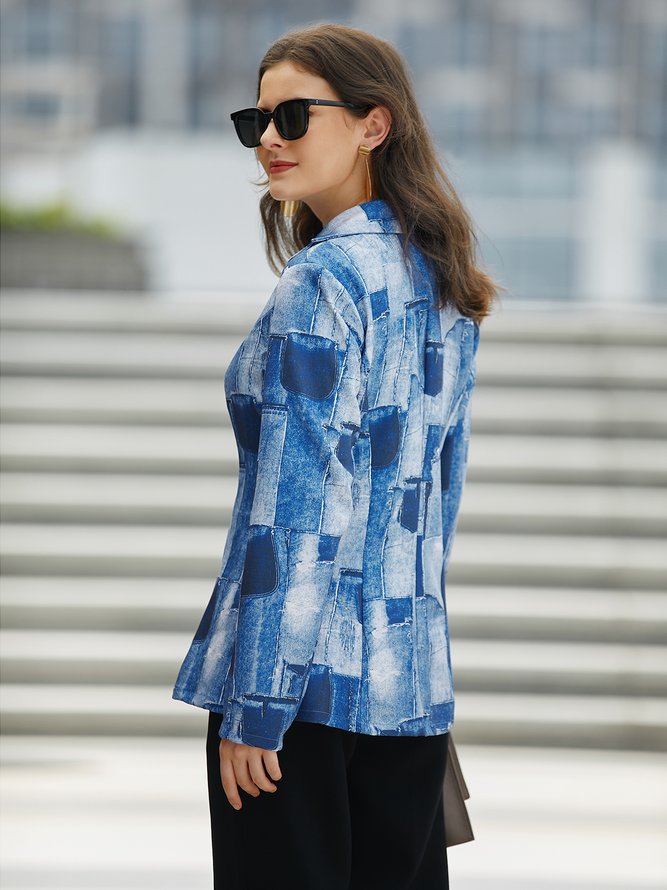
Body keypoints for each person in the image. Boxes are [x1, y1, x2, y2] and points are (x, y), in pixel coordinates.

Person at [172, 22, 497, 890]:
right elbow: (437, 504)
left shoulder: (321, 282)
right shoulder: (441, 277)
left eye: (293, 116)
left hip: (298, 698)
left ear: (372, 124)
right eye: (256, 121)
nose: (268, 140)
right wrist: (415, 669)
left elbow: (298, 510)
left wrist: (257, 705)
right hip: (406, 686)